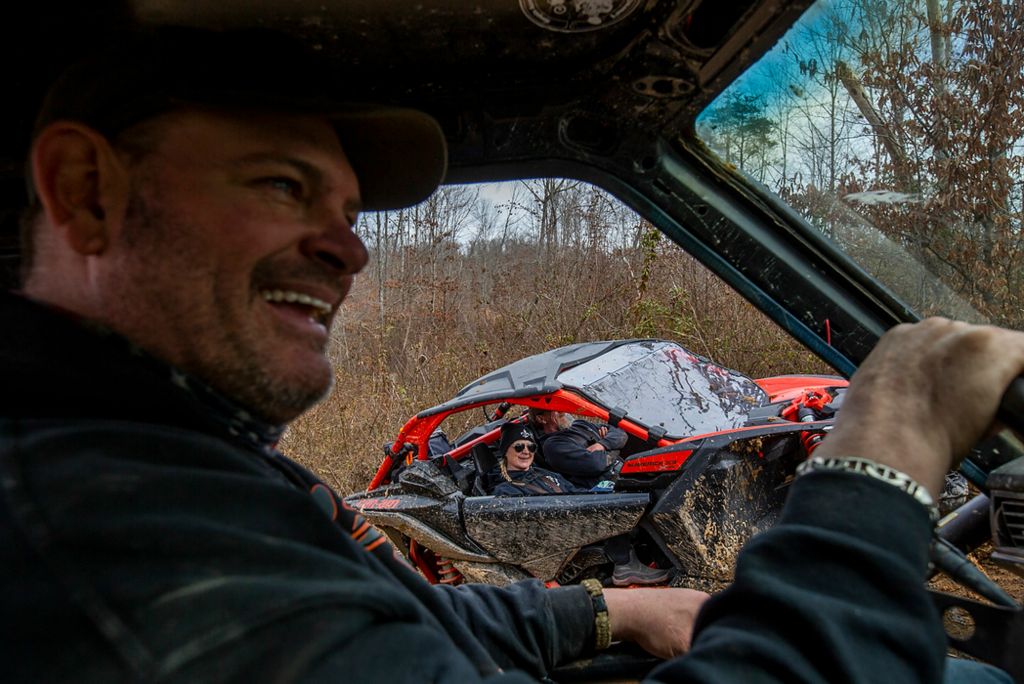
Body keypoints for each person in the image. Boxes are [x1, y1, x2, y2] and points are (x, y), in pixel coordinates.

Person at [0, 26, 1014, 684]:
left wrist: (608, 610)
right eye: (280, 186)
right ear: (87, 191)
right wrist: (884, 453)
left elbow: (394, 632)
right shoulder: (108, 528)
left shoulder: (169, 466)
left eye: (348, 211)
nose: (349, 248)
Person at [529, 408, 628, 488]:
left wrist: (602, 445)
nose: (563, 411)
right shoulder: (553, 446)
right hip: (610, 486)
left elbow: (620, 433)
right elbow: (596, 464)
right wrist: (613, 446)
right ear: (541, 419)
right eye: (557, 410)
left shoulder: (580, 424)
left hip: (626, 471)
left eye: (562, 407)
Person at [489, 423, 584, 496]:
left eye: (531, 447)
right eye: (519, 447)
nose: (526, 452)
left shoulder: (547, 474)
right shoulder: (505, 491)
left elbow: (578, 494)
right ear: (505, 451)